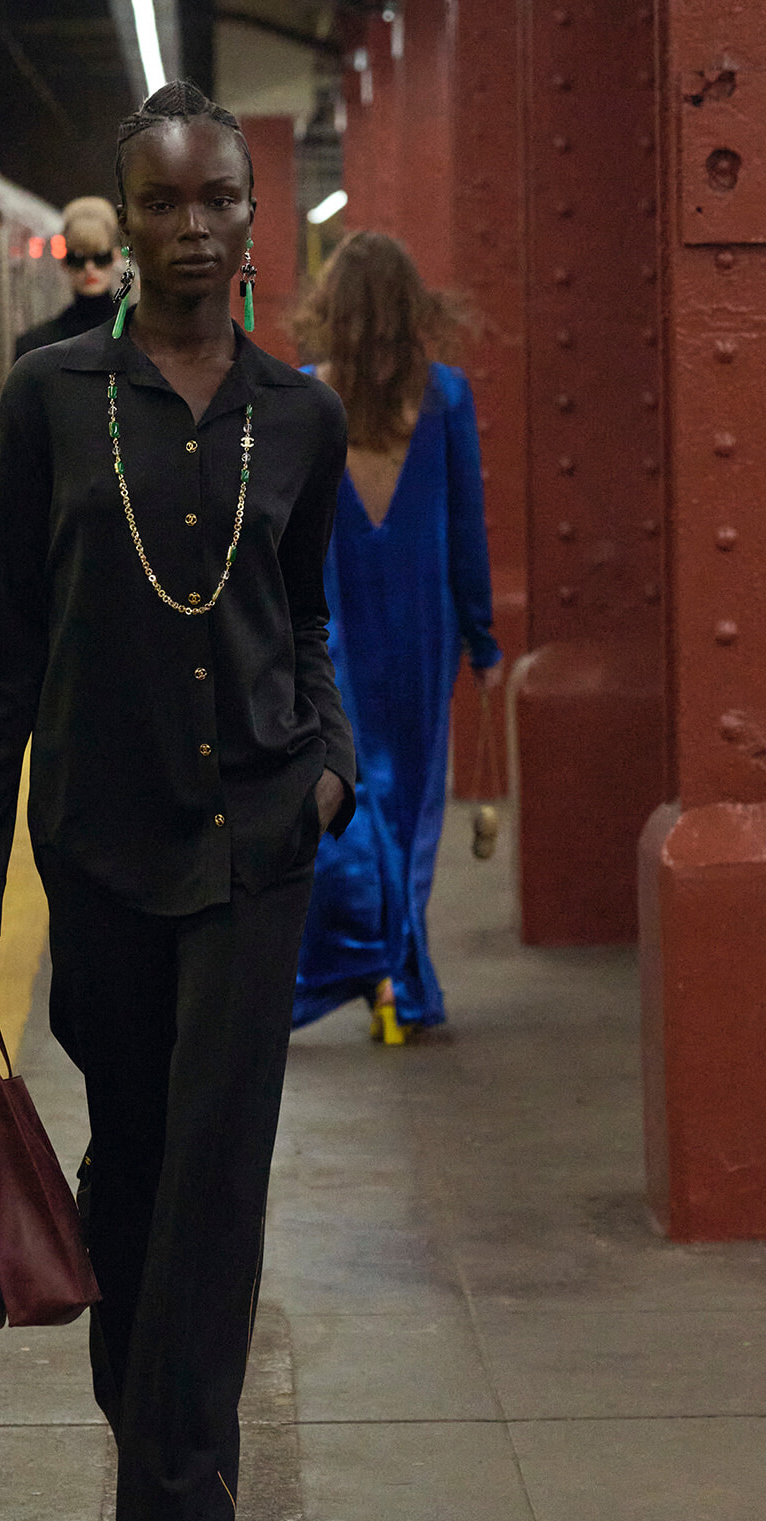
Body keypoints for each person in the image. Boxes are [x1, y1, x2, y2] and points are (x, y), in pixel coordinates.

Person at [0, 80, 353, 1521]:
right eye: (162, 204)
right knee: (129, 1174)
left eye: (217, 203)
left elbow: (304, 623)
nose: (191, 231)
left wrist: (328, 767)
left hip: (255, 851)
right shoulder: (51, 402)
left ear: (254, 221)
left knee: (212, 1203)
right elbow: (7, 661)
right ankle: (147, 1407)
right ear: (123, 220)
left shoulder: (296, 416)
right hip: (98, 856)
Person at [291, 232, 503, 1041]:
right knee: (412, 807)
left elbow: (293, 537)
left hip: (338, 631)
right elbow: (466, 536)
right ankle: (399, 976)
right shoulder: (447, 397)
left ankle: (378, 969)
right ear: (416, 308)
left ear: (332, 312)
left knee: (356, 796)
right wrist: (482, 643)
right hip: (423, 632)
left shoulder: (309, 400)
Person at [14, 195, 120, 357]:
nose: (89, 268)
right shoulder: (36, 347)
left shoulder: (37, 346)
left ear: (115, 258)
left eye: (99, 258)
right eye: (78, 260)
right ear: (64, 263)